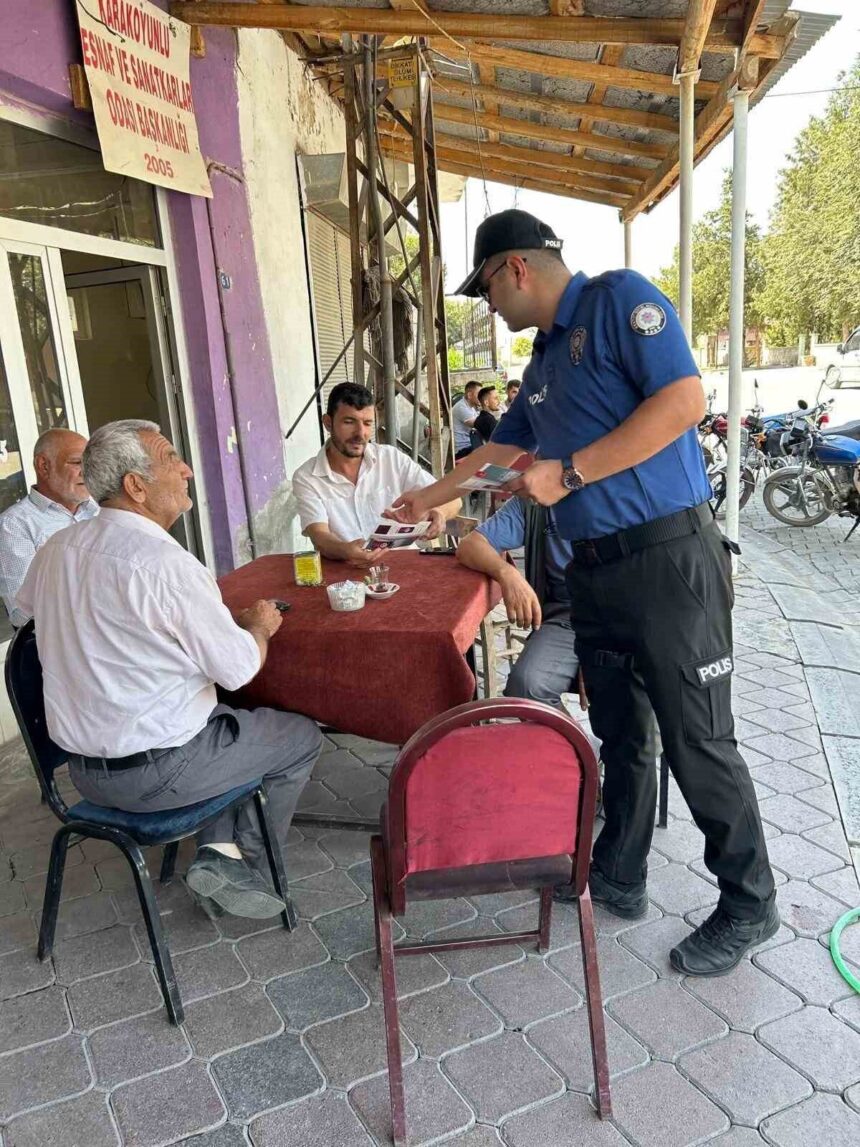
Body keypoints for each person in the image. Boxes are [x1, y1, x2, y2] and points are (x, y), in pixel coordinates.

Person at [388, 208, 778, 976]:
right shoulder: (542, 364)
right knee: (623, 732)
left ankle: (748, 900)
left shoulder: (617, 301)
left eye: (487, 289)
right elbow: (509, 449)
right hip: (595, 572)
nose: (489, 306)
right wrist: (432, 496)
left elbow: (683, 403)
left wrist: (568, 474)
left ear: (515, 268)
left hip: (668, 560)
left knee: (698, 740)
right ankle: (621, 873)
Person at [17, 419, 320, 921]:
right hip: (158, 775)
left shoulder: (54, 551)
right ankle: (243, 864)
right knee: (297, 736)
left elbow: (30, 616)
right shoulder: (164, 563)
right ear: (136, 486)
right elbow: (240, 669)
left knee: (220, 723)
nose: (186, 471)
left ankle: (217, 853)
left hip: (84, 774)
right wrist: (260, 626)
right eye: (170, 459)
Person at [292, 382, 460, 566]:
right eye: (349, 422)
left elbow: (453, 500)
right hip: (346, 577)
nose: (360, 433)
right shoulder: (307, 477)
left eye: (367, 423)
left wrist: (439, 513)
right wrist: (345, 550)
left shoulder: (391, 458)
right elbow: (320, 536)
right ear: (328, 423)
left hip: (403, 567)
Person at [0, 429, 97, 627]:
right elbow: (22, 613)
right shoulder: (15, 524)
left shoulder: (100, 511)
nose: (87, 472)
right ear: (44, 466)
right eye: (77, 462)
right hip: (62, 647)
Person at [451, 380, 482, 459]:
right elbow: (479, 425)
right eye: (479, 394)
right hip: (462, 449)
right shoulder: (461, 407)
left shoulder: (471, 407)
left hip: (471, 445)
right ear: (469, 395)